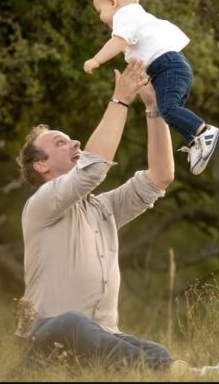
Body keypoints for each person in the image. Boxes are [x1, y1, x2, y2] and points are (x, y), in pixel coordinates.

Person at [14, 60, 184, 372]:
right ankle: (176, 373)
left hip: (103, 339)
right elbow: (92, 170)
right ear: (41, 166)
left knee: (157, 351)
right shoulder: (41, 204)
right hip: (50, 336)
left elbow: (160, 177)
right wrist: (120, 99)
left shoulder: (103, 209)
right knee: (73, 324)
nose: (74, 143)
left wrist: (154, 108)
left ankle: (165, 369)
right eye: (60, 143)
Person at [82, 0, 219, 176]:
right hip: (171, 67)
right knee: (169, 112)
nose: (102, 19)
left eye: (100, 11)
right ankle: (195, 142)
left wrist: (96, 59)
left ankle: (203, 131)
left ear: (112, 2)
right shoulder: (136, 16)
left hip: (169, 67)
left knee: (168, 109)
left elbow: (118, 42)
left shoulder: (125, 14)